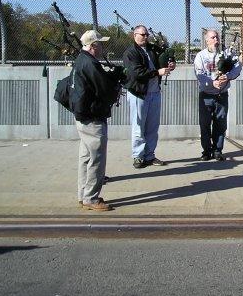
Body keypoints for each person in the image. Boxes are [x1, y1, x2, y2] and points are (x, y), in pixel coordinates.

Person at [70, 30, 121, 211]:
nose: (102, 48)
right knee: (96, 158)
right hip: (92, 117)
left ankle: (83, 195)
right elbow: (104, 89)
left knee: (86, 157)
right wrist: (116, 79)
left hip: (82, 115)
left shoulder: (81, 61)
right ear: (93, 46)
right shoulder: (90, 64)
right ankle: (91, 198)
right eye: (100, 44)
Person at [122, 25, 174, 169]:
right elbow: (136, 73)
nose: (145, 37)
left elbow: (164, 57)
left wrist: (170, 63)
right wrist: (157, 72)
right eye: (142, 35)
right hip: (139, 93)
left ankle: (149, 155)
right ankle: (138, 156)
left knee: (152, 127)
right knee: (139, 126)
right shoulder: (130, 53)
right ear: (135, 35)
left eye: (146, 35)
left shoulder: (151, 49)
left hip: (154, 92)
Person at [194, 29, 242, 161]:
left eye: (217, 38)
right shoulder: (200, 56)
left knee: (220, 124)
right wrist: (212, 83)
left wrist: (228, 76)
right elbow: (200, 74)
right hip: (206, 95)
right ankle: (206, 151)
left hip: (222, 95)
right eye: (213, 37)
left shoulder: (227, 54)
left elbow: (237, 67)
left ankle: (217, 150)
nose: (216, 40)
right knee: (205, 124)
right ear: (207, 40)